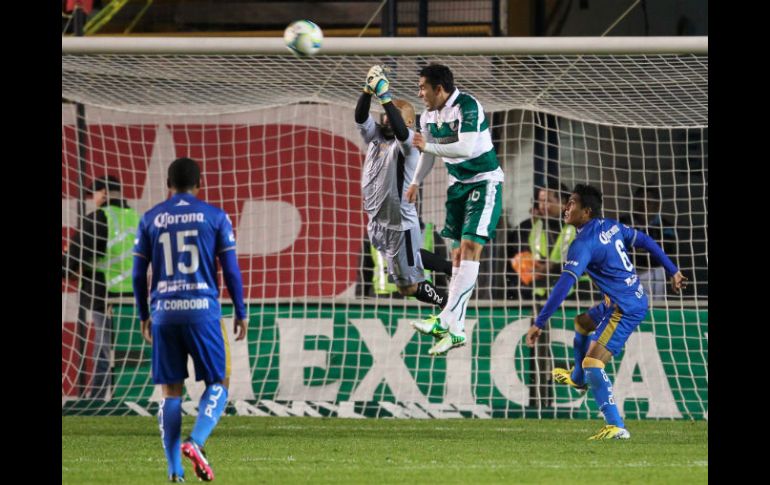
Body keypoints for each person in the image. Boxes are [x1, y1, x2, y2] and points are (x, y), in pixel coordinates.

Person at [526, 184, 687, 440]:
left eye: (572, 203)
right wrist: (673, 270)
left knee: (593, 363)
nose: (566, 208)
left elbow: (563, 285)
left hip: (624, 308)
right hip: (622, 299)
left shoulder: (582, 244)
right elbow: (645, 241)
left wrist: (539, 322)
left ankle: (616, 425)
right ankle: (578, 379)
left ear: (586, 211)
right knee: (582, 323)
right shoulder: (611, 226)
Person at [132, 157, 248, 482]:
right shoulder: (215, 216)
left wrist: (144, 314)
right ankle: (195, 442)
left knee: (171, 392)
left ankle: (174, 471)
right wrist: (240, 311)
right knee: (219, 383)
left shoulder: (150, 218)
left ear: (168, 185)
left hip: (164, 313)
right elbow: (232, 271)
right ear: (200, 184)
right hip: (202, 311)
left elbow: (138, 274)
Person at [404, 63, 505, 355]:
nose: (419, 93)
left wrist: (428, 147)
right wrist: (415, 182)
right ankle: (457, 330)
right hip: (457, 186)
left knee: (471, 246)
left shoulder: (467, 106)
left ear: (439, 88)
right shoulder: (428, 116)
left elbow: (465, 148)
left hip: (484, 181)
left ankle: (445, 317)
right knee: (458, 255)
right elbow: (427, 153)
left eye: (423, 88)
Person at [355, 65, 448, 309]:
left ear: (408, 121)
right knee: (410, 258)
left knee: (408, 287)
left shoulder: (409, 144)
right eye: (385, 114)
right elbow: (360, 117)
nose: (386, 118)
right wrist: (367, 91)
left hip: (399, 224)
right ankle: (451, 268)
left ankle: (447, 303)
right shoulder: (376, 137)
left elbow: (399, 129)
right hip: (377, 223)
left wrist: (385, 96)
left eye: (393, 115)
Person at [62, 175, 140, 400]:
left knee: (104, 350)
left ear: (104, 193)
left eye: (95, 193)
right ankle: (130, 395)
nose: (93, 199)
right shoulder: (137, 218)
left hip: (105, 293)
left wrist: (67, 264)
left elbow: (76, 257)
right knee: (126, 349)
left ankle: (97, 399)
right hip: (133, 296)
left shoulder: (99, 217)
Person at [619, 186, 678, 303]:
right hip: (628, 272)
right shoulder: (623, 223)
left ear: (657, 205)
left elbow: (667, 252)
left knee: (653, 307)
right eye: (639, 201)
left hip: (653, 273)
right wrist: (648, 251)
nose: (643, 205)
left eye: (648, 202)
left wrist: (639, 252)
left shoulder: (665, 226)